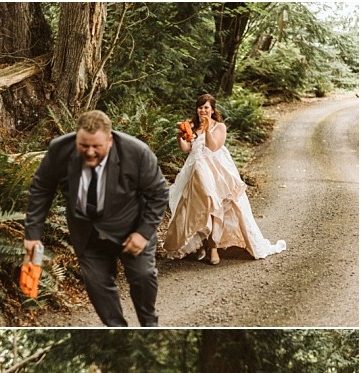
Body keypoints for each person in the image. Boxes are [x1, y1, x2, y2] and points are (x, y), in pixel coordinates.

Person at [25, 110, 169, 327]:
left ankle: (149, 323)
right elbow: (41, 189)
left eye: (96, 146)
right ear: (76, 138)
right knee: (97, 287)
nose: (90, 152)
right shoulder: (59, 150)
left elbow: (159, 194)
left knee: (143, 276)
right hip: (87, 234)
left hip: (131, 229)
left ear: (109, 140)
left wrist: (143, 233)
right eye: (84, 145)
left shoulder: (136, 152)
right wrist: (32, 235)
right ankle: (118, 329)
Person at [164, 93, 286, 264]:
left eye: (206, 107)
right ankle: (200, 243)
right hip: (196, 169)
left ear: (212, 110)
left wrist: (206, 129)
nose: (202, 110)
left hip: (217, 170)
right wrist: (180, 137)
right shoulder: (192, 125)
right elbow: (187, 149)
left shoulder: (219, 127)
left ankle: (213, 247)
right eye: (200, 107)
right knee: (197, 207)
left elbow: (214, 146)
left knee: (216, 205)